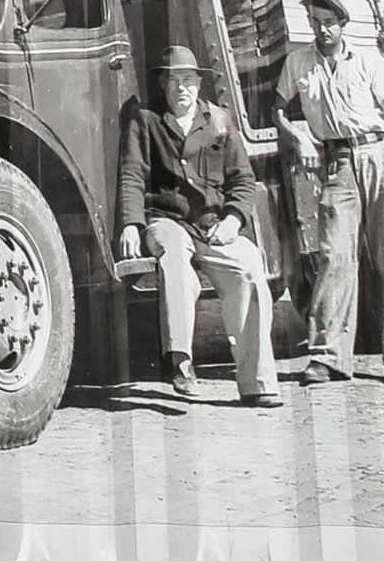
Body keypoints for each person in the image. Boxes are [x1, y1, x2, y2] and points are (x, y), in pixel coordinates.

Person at [115, 45, 283, 407]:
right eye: (173, 80)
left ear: (199, 84)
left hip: (212, 224)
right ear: (163, 84)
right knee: (174, 256)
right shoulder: (146, 120)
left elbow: (243, 180)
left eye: (188, 80)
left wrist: (233, 219)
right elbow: (132, 175)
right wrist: (131, 224)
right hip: (167, 220)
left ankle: (258, 382)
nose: (181, 88)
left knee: (249, 266)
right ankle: (180, 361)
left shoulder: (220, 122)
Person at [277, 0, 384, 385]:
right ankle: (328, 356)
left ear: (342, 24)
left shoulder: (367, 59)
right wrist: (301, 137)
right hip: (337, 164)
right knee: (334, 256)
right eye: (315, 22)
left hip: (378, 156)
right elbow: (278, 111)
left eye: (329, 23)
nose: (322, 30)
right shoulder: (297, 63)